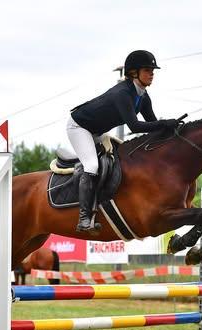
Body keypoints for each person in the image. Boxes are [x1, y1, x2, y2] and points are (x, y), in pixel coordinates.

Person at [68, 50, 180, 234]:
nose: (152, 73)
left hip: (97, 132)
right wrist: (164, 123)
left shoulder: (143, 96)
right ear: (134, 72)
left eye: (153, 70)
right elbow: (135, 126)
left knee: (118, 160)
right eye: (147, 69)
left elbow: (152, 124)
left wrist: (171, 130)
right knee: (92, 165)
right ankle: (84, 218)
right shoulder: (123, 94)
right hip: (79, 128)